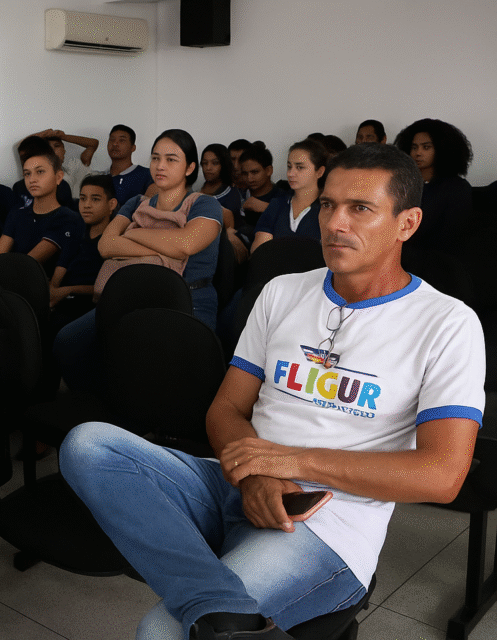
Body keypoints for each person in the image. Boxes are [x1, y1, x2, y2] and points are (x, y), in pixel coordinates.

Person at [60, 142, 483, 640]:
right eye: (328, 204)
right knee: (87, 444)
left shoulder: (447, 323)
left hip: (327, 523)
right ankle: (224, 609)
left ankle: (215, 611)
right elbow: (226, 409)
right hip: (235, 481)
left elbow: (442, 475)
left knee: (161, 631)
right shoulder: (283, 291)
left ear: (406, 223)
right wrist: (256, 475)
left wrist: (288, 463)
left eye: (360, 209)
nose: (335, 223)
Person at [53, 129, 223, 393]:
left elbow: (185, 245)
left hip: (189, 298)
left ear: (190, 167)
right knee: (68, 341)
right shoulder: (136, 202)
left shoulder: (204, 204)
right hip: (131, 297)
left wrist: (134, 234)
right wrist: (164, 247)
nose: (160, 166)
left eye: (171, 159)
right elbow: (106, 245)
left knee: (166, 369)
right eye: (155, 158)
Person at [0, 147, 84, 276]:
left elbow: (29, 263)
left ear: (58, 177)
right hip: (9, 279)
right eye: (27, 174)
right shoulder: (17, 213)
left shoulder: (68, 217)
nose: (32, 179)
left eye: (40, 172)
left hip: (38, 283)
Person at [394, 118, 474, 257]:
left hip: (433, 261)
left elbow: (452, 239)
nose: (418, 153)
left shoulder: (457, 188)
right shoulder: (402, 184)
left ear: (442, 149)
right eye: (414, 147)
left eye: (426, 147)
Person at [49, 174, 115, 332]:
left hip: (93, 308)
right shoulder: (75, 234)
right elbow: (60, 270)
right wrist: (53, 291)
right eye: (83, 199)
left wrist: (69, 290)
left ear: (111, 204)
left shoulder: (116, 241)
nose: (87, 205)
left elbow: (111, 288)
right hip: (64, 303)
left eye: (95, 199)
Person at [250, 139, 328, 252]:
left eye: (300, 167)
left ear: (319, 172)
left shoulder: (329, 209)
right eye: (289, 166)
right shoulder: (277, 205)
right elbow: (260, 251)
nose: (290, 173)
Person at [28, 128, 99, 195]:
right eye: (48, 147)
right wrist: (44, 133)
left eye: (57, 146)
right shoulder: (33, 172)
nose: (52, 150)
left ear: (64, 151)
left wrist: (63, 136)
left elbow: (93, 144)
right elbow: (23, 146)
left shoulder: (74, 168)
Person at [11, 135, 75, 209]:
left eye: (29, 157)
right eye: (23, 158)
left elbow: (66, 213)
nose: (26, 161)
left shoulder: (61, 185)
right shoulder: (18, 187)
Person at [106, 124, 154, 205]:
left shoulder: (147, 175)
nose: (115, 144)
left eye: (122, 140)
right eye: (112, 140)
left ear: (133, 148)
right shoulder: (100, 178)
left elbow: (150, 206)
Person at [238, 142, 283, 229]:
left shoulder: (284, 198)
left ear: (268, 170)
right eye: (245, 173)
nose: (249, 178)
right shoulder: (237, 195)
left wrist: (268, 208)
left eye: (255, 172)